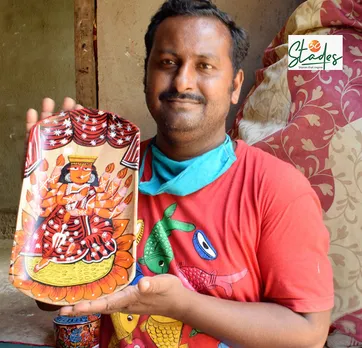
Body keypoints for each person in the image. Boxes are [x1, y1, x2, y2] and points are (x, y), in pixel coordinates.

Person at [25, 1, 334, 347]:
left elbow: (308, 334)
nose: (183, 81)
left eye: (204, 65)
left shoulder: (277, 189)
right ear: (146, 76)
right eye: (168, 63)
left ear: (234, 86)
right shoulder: (108, 177)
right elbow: (51, 299)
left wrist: (184, 306)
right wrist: (53, 193)